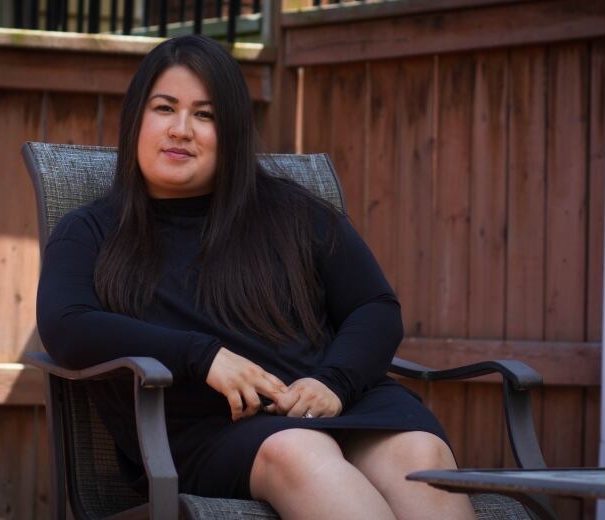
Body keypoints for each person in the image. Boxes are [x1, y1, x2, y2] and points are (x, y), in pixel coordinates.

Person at [36, 34, 475, 520]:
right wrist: (200, 357)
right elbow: (67, 325)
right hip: (213, 430)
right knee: (300, 454)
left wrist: (334, 381)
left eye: (205, 116)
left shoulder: (294, 212)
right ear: (136, 118)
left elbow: (374, 306)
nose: (181, 129)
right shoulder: (91, 231)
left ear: (232, 134)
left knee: (421, 456)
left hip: (343, 403)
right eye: (165, 108)